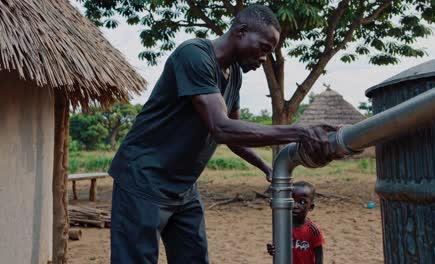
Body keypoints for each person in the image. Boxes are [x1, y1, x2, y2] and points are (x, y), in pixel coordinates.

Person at [109, 4, 337, 264]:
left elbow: (233, 134)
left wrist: (266, 167)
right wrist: (299, 131)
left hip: (183, 187)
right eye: (263, 48)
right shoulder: (194, 55)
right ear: (241, 31)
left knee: (194, 257)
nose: (264, 58)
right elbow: (221, 127)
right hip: (143, 178)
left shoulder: (235, 75)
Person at [267, 181, 324, 264]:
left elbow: (319, 256)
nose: (294, 205)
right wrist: (272, 249)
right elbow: (277, 249)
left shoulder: (313, 230)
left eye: (302, 202)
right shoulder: (282, 226)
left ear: (311, 207)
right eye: (292, 200)